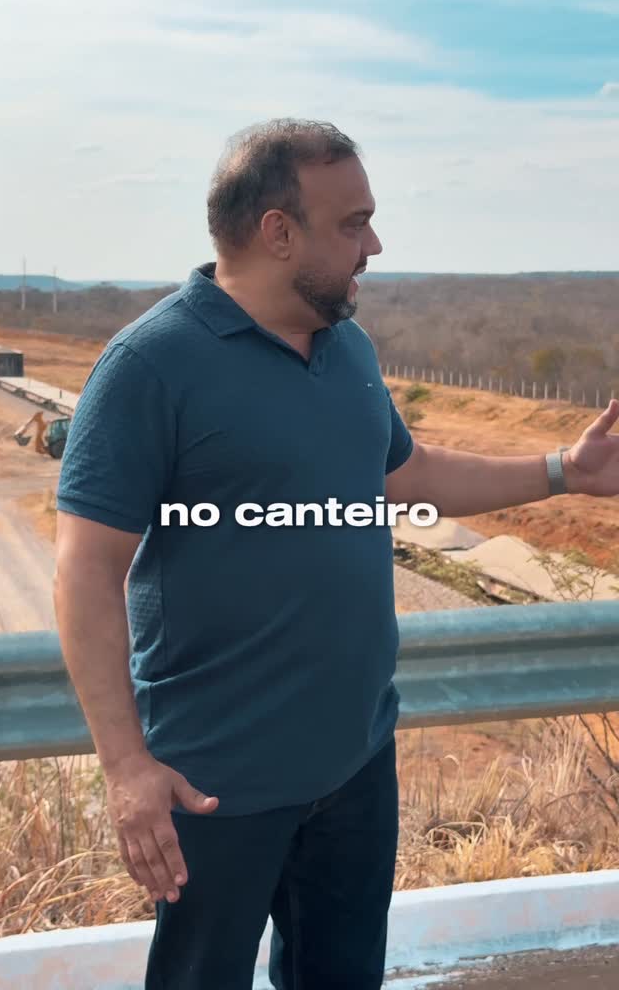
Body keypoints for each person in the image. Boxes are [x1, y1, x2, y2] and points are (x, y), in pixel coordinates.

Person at [53, 117, 619, 990]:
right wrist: (128, 768)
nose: (374, 246)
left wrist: (562, 472)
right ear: (278, 231)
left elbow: (405, 474)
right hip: (216, 781)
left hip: (355, 763)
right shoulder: (150, 366)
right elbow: (86, 572)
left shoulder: (347, 345)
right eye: (354, 224)